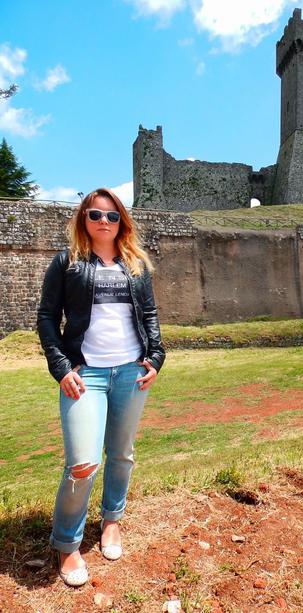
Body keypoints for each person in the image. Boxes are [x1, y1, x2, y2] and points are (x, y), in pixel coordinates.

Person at [37, 187, 165, 587]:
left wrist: (156, 357)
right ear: (83, 219)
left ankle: (112, 521)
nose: (104, 223)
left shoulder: (135, 264)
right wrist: (61, 368)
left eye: (112, 216)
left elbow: (150, 314)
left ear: (122, 221)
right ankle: (67, 542)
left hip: (130, 371)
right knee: (82, 463)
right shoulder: (67, 262)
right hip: (85, 374)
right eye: (95, 215)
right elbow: (46, 318)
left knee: (122, 454)